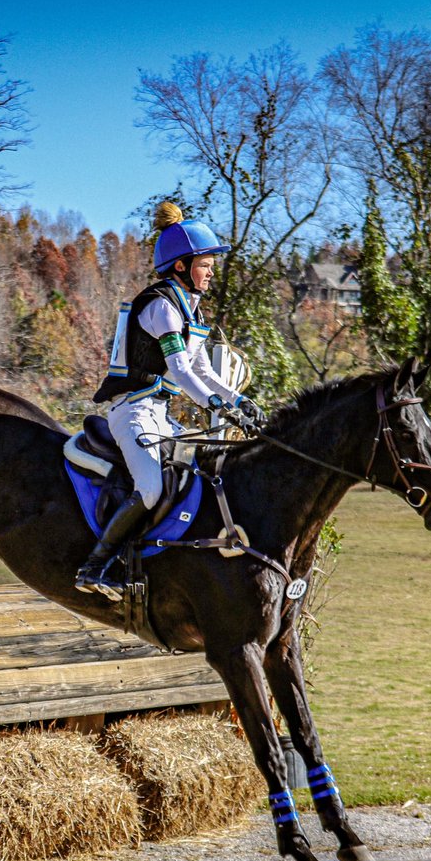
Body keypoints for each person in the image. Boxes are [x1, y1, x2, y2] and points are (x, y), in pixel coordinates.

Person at [75, 202, 265, 599]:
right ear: (181, 266)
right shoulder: (162, 305)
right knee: (149, 488)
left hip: (159, 413)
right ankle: (95, 566)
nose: (212, 272)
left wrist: (239, 400)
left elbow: (204, 371)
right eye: (206, 265)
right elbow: (180, 371)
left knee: (198, 476)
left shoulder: (188, 308)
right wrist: (218, 406)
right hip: (133, 412)